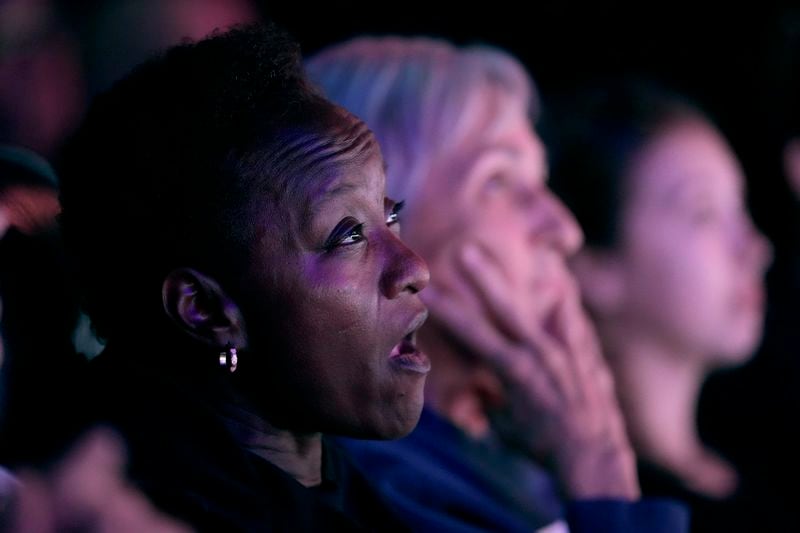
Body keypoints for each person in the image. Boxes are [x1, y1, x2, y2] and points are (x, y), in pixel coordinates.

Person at [54, 23, 429, 532]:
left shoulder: (327, 483)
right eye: (348, 235)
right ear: (206, 309)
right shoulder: (148, 507)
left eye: (390, 215)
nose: (414, 268)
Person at [307, 37, 687, 532]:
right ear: (382, 228)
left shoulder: (514, 457)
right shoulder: (376, 490)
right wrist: (600, 479)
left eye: (541, 183)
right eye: (500, 182)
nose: (563, 229)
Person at [545, 81, 772, 532]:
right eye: (705, 213)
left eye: (740, 209)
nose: (755, 248)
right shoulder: (586, 501)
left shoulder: (767, 457)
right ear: (594, 265)